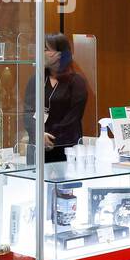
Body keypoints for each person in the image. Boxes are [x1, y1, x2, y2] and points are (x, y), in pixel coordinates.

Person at [24, 33, 90, 164]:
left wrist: (50, 137)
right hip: (37, 147)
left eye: (46, 49)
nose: (41, 53)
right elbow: (27, 112)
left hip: (64, 148)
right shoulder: (36, 79)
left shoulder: (76, 82)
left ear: (61, 53)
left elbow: (73, 118)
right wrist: (38, 134)